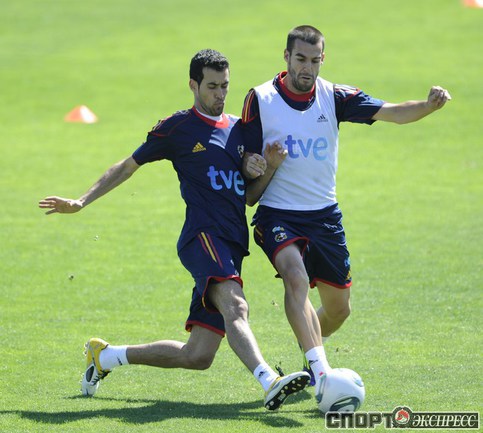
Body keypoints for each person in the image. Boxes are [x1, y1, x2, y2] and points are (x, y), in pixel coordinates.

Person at [38, 49, 310, 411]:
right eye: (212, 86)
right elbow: (127, 166)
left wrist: (269, 167)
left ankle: (105, 356)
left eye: (225, 86)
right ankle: (269, 381)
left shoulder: (239, 130)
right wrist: (81, 201)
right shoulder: (178, 128)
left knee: (198, 355)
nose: (220, 94)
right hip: (203, 236)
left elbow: (249, 198)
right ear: (193, 85)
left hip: (232, 244)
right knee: (236, 305)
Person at [241, 25, 451, 395]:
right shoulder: (261, 98)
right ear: (286, 57)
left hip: (324, 216)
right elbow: (243, 154)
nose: (307, 67)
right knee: (296, 279)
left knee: (339, 309)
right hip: (278, 214)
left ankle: (310, 349)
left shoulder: (334, 96)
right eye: (300, 59)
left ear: (323, 59)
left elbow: (392, 112)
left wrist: (428, 106)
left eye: (314, 60)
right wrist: (253, 163)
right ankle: (322, 374)